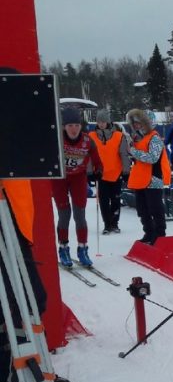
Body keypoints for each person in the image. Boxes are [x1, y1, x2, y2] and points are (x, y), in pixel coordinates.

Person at [1, 178, 74, 382]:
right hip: (6, 209)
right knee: (27, 298)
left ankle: (13, 371)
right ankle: (24, 375)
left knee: (17, 297)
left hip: (12, 208)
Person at [52, 107, 103, 268]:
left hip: (78, 178)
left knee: (80, 215)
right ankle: (63, 248)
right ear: (64, 127)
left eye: (76, 125)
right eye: (69, 126)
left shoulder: (88, 141)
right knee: (64, 214)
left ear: (81, 126)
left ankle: (82, 248)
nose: (73, 129)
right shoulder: (58, 139)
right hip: (59, 179)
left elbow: (97, 161)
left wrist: (97, 172)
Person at [126, 108, 171, 245]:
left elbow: (152, 158)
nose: (135, 125)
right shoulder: (139, 138)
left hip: (153, 179)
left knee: (155, 208)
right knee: (142, 209)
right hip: (140, 179)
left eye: (138, 123)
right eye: (134, 123)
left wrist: (133, 151)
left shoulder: (154, 138)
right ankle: (149, 232)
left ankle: (160, 235)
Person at [88, 108, 130, 234]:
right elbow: (88, 156)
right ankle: (107, 224)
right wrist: (89, 173)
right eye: (99, 121)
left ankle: (114, 223)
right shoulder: (91, 136)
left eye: (103, 121)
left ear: (108, 122)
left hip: (116, 173)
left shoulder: (119, 136)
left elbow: (124, 154)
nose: (101, 124)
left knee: (116, 200)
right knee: (103, 201)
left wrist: (126, 171)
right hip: (100, 174)